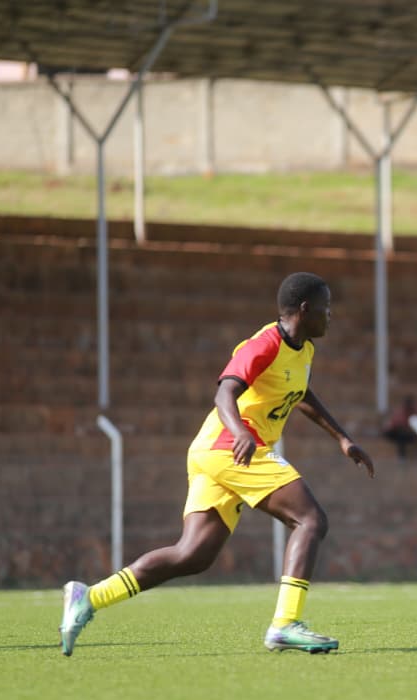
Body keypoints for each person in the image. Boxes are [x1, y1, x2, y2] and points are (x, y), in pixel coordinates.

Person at [58, 272, 375, 656]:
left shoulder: (304, 349)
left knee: (193, 554)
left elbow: (300, 393)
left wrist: (342, 437)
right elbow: (225, 391)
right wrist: (241, 432)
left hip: (216, 451)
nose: (331, 315)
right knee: (310, 519)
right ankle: (285, 624)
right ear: (305, 309)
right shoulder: (263, 344)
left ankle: (89, 597)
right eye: (327, 307)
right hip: (232, 446)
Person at [382, 395, 417, 460]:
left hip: (407, 434)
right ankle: (401, 456)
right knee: (400, 435)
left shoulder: (413, 412)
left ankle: (402, 456)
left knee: (402, 436)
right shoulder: (400, 411)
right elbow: (395, 423)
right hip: (396, 432)